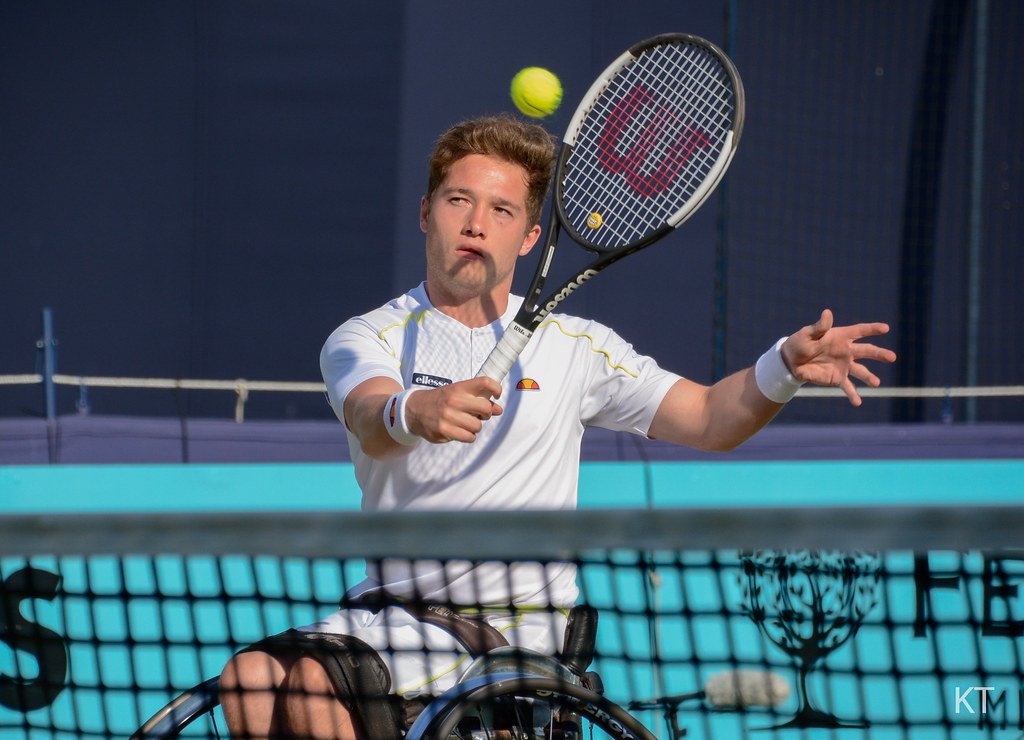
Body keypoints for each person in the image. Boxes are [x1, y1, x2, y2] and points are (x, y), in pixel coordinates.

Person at [218, 113, 896, 738]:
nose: (476, 223)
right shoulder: (367, 335)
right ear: (426, 214)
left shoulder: (576, 347)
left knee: (309, 682)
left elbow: (712, 419)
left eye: (502, 209)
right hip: (383, 615)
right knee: (245, 680)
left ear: (530, 235)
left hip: (510, 633)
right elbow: (370, 416)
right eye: (459, 201)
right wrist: (410, 411)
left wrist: (783, 365)